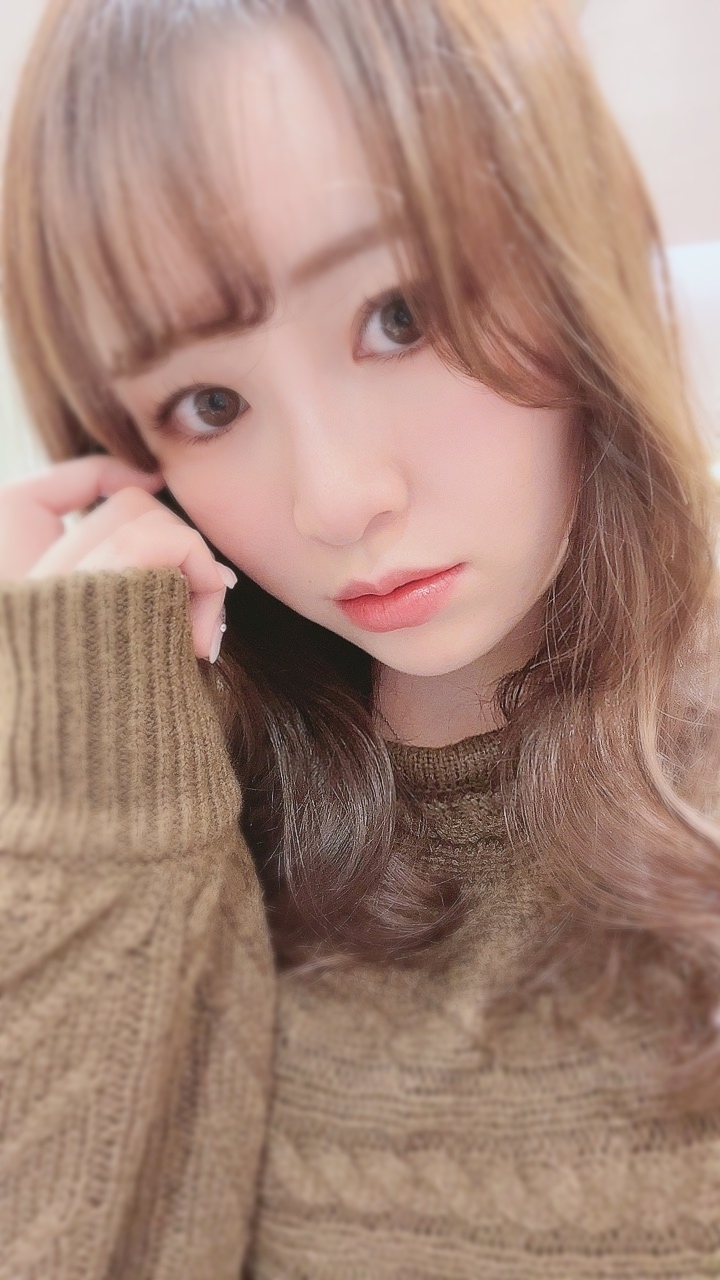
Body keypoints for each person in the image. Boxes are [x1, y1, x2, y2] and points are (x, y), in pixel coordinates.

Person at [1, 0, 719, 1274]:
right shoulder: (141, 821)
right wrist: (93, 775)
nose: (336, 498)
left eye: (402, 314)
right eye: (209, 401)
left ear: (574, 243)